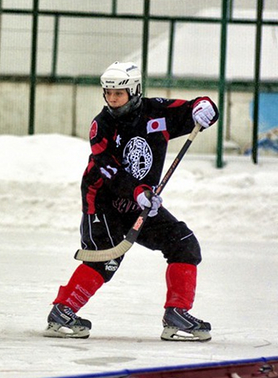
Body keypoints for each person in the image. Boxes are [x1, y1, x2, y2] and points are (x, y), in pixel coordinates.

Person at [44, 61, 219, 342]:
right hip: (103, 201)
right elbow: (108, 169)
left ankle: (177, 313)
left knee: (184, 244)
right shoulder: (101, 125)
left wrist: (206, 107)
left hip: (141, 201)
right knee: (105, 259)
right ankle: (62, 311)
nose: (112, 99)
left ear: (135, 90)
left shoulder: (157, 111)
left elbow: (194, 109)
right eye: (108, 93)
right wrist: (138, 192)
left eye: (119, 93)